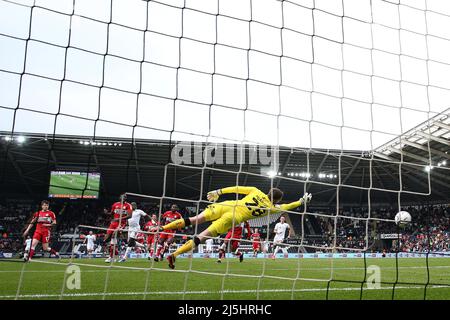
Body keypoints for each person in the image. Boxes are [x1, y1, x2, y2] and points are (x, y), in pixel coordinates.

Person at [152, 186, 312, 269]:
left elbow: (236, 188)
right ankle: (174, 254)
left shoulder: (256, 191)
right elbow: (288, 206)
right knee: (202, 236)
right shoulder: (273, 208)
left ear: (269, 191)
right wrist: (301, 201)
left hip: (226, 205)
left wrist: (218, 192)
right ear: (276, 200)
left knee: (193, 220)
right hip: (234, 217)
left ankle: (163, 226)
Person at [104, 194, 133, 263]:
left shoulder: (128, 205)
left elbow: (130, 216)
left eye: (125, 197)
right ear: (120, 198)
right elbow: (111, 213)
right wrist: (106, 213)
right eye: (123, 197)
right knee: (106, 239)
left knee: (114, 236)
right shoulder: (115, 204)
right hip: (113, 223)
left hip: (121, 224)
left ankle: (111, 257)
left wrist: (119, 218)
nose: (124, 198)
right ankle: (115, 254)